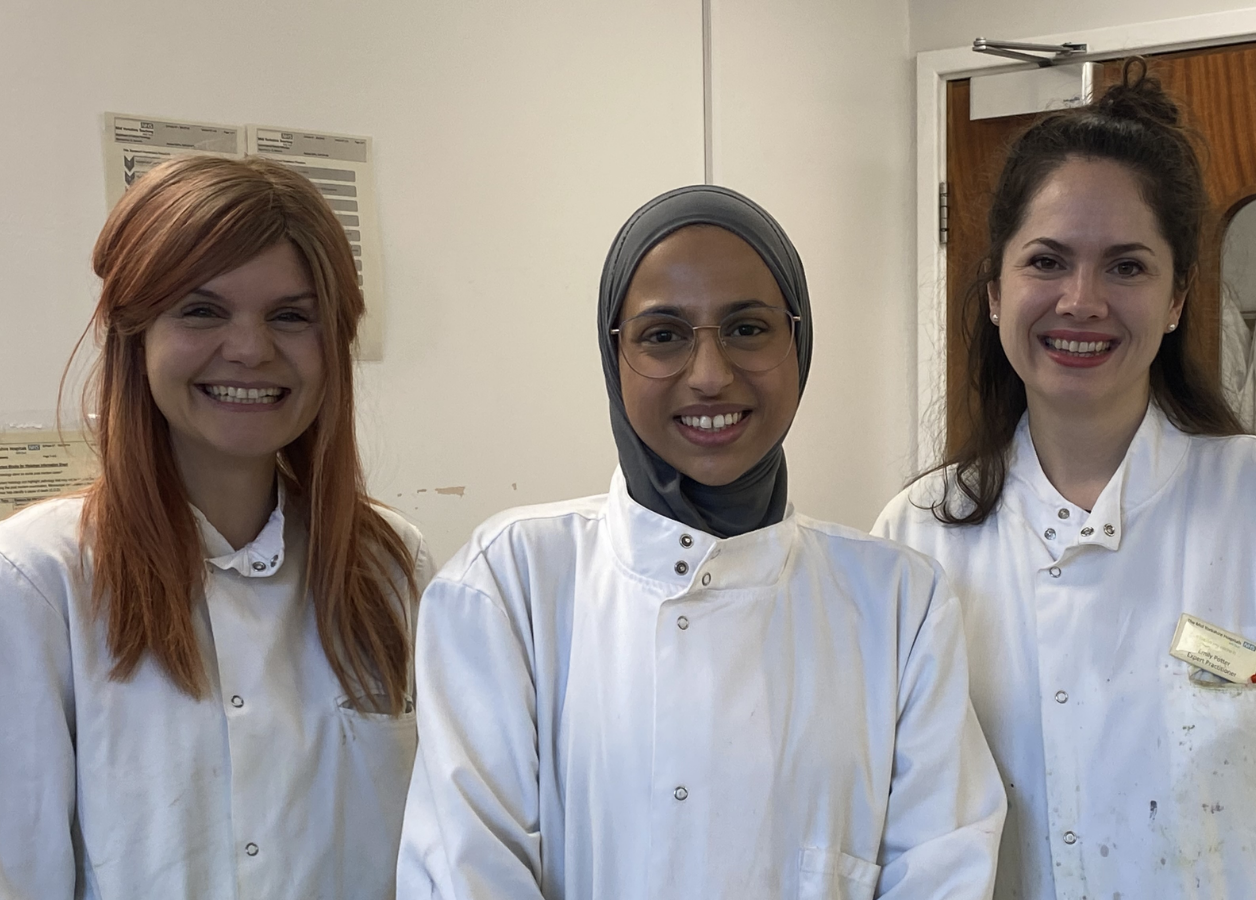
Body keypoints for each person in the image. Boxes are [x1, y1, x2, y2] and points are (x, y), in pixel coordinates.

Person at [874, 62, 1256, 899]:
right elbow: (898, 836)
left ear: (1178, 299)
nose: (1081, 300)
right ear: (995, 292)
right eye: (1047, 261)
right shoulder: (920, 536)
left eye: (1127, 267)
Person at [398, 185, 1007, 899]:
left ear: (799, 342)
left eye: (749, 329)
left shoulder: (899, 600)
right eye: (664, 335)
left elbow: (941, 869)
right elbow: (466, 874)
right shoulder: (510, 584)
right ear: (613, 354)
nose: (711, 375)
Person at [0, 155, 434, 899]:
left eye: (292, 315)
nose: (251, 348)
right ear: (135, 333)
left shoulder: (392, 564)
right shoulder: (34, 580)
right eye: (201, 310)